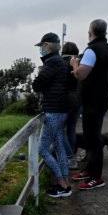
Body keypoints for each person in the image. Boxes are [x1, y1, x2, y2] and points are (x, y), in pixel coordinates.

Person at [70, 19, 108, 190]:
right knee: (92, 136)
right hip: (102, 99)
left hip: (91, 101)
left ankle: (95, 177)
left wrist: (75, 63)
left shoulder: (91, 51)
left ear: (90, 31)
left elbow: (81, 74)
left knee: (94, 139)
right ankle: (89, 171)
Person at [32, 32, 71, 198]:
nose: (40, 49)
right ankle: (66, 183)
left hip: (53, 111)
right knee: (60, 147)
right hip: (62, 110)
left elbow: (37, 85)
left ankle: (62, 185)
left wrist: (38, 77)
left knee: (42, 149)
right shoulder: (61, 62)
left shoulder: (51, 63)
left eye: (41, 46)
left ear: (47, 45)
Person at [60, 41, 81, 169]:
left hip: (66, 99)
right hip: (78, 98)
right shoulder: (79, 63)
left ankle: (70, 158)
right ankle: (71, 156)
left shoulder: (62, 64)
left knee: (59, 129)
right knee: (71, 129)